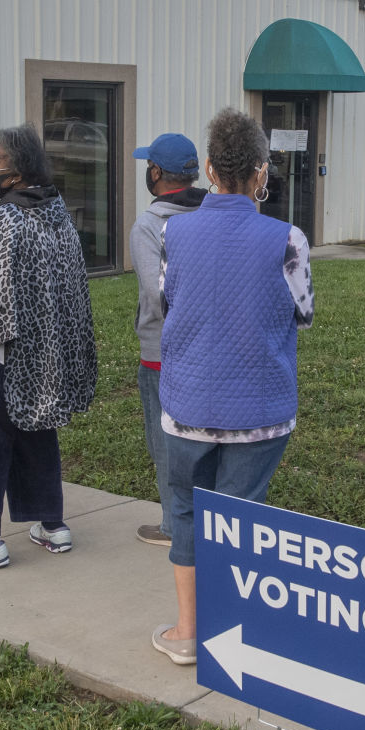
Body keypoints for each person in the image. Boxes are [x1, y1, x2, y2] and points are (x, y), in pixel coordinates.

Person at [151, 109, 314, 665]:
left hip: (186, 404)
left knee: (187, 511)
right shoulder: (287, 238)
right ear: (261, 172)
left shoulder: (175, 231)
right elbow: (303, 312)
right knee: (245, 520)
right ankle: (236, 633)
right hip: (260, 410)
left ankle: (189, 631)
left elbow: (169, 297)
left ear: (209, 169)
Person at [0, 125, 97, 568]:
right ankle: (52, 525)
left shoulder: (5, 221)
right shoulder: (58, 214)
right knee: (37, 435)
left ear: (15, 174)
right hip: (45, 355)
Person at [128, 132, 206, 548]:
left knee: (167, 445)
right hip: (209, 350)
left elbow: (155, 297)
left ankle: (175, 529)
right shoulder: (210, 213)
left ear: (156, 172)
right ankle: (207, 524)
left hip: (163, 354)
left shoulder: (149, 225)